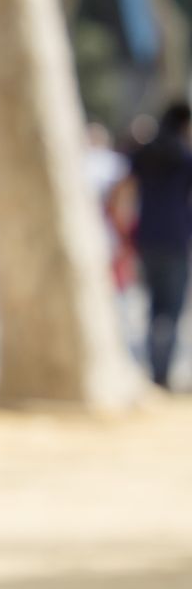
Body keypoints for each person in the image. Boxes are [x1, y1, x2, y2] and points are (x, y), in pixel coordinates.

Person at [114, 101, 192, 388]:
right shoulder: (185, 156)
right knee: (170, 310)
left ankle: (154, 369)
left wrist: (123, 233)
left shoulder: (143, 153)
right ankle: (163, 372)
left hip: (145, 239)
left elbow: (122, 192)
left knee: (152, 307)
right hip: (176, 239)